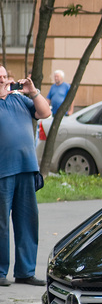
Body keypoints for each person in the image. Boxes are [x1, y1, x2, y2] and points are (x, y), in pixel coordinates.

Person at [0, 67, 51, 287]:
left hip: (26, 169)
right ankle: (1, 272)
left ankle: (25, 271)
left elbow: (45, 113)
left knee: (28, 222)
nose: (3, 80)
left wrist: (33, 92)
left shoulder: (20, 100)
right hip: (3, 171)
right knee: (1, 224)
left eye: (4, 76)